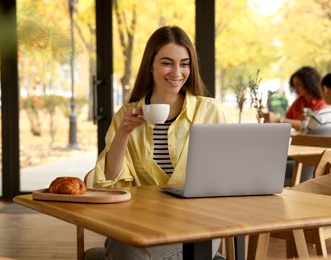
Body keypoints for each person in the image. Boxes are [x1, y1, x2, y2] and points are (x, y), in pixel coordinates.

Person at [93, 25, 234, 260]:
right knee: (126, 246)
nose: (177, 72)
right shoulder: (127, 115)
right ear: (150, 65)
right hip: (140, 225)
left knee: (126, 251)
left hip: (197, 227)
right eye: (167, 62)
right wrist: (123, 133)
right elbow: (108, 184)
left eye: (184, 63)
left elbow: (235, 172)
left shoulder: (212, 112)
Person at [266, 66, 328, 130]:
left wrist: (278, 119)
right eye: (294, 85)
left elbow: (311, 126)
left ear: (309, 83)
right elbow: (287, 119)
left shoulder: (323, 103)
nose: (295, 88)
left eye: (298, 84)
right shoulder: (298, 102)